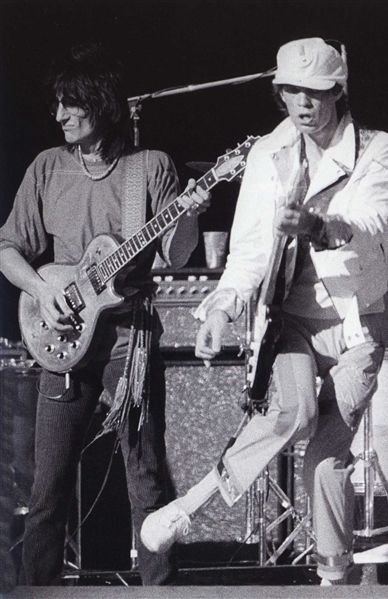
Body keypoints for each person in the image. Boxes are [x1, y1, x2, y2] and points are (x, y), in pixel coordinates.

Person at [140, 38, 388, 585]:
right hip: (288, 323)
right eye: (290, 91)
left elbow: (370, 223)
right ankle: (191, 505)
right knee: (295, 411)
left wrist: (314, 226)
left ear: (338, 91)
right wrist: (221, 308)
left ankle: (335, 580)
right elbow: (251, 250)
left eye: (314, 91)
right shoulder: (267, 153)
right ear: (279, 93)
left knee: (330, 459)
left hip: (355, 326)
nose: (302, 102)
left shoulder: (379, 149)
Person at [0, 43, 210, 586]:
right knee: (48, 486)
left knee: (145, 479)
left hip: (127, 340)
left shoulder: (150, 168)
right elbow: (8, 249)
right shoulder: (46, 167)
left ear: (102, 104)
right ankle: (35, 592)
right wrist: (42, 292)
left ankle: (161, 591)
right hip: (62, 334)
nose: (60, 115)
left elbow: (178, 254)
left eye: (72, 104)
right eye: (57, 104)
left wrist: (187, 214)